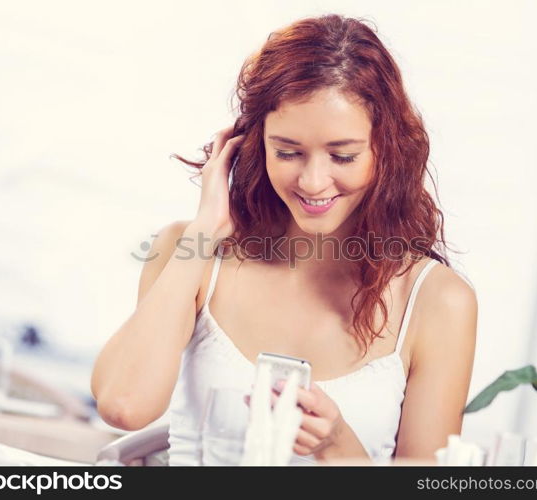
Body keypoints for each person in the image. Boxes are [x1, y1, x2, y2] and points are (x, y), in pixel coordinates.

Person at [91, 14, 477, 465]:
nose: (313, 182)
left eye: (343, 155)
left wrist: (336, 446)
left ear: (386, 150)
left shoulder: (437, 300)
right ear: (252, 145)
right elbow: (124, 404)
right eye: (288, 152)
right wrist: (204, 231)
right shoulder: (192, 252)